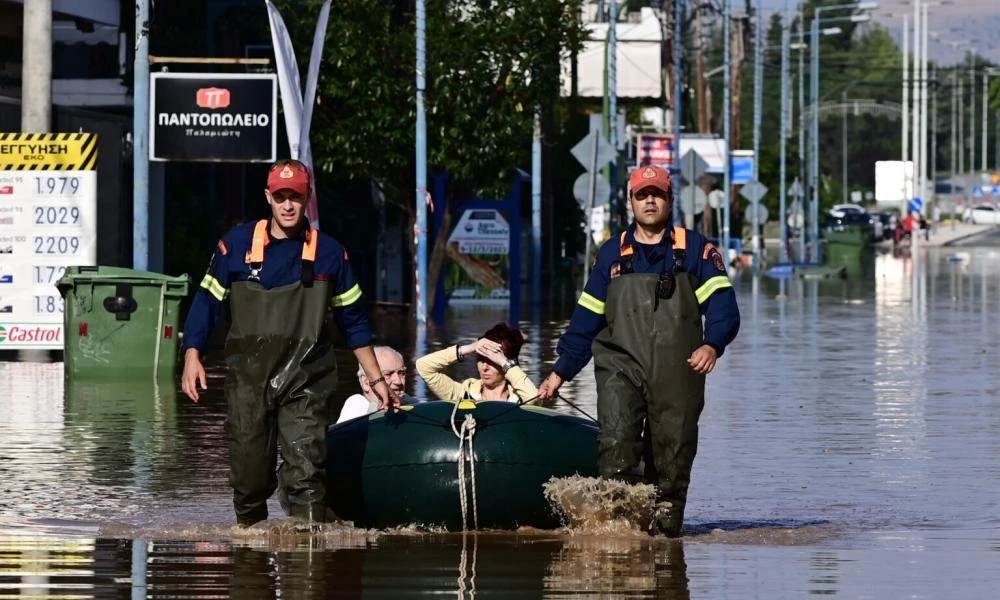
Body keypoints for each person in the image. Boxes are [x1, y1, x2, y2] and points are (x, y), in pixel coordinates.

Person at [180, 159, 396, 527]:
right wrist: (192, 354)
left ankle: (307, 563)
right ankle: (251, 561)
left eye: (295, 196)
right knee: (249, 480)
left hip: (306, 380)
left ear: (307, 197)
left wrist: (378, 380)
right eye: (280, 197)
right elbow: (206, 303)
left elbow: (354, 324)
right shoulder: (235, 247)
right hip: (249, 380)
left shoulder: (331, 254)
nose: (288, 205)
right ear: (268, 197)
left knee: (307, 471)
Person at [538, 165, 740, 538]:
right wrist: (560, 372)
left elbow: (725, 308)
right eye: (642, 195)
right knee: (616, 444)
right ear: (630, 201)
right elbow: (586, 320)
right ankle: (620, 540)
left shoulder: (695, 250)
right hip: (621, 367)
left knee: (672, 459)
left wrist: (713, 344)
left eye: (657, 194)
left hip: (678, 371)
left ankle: (663, 545)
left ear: (669, 200)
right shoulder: (612, 254)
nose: (649, 201)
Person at [415, 322, 538, 403]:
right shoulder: (462, 394)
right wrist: (471, 348)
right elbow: (423, 366)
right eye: (480, 359)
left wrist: (505, 362)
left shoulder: (521, 396)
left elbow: (535, 399)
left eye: (492, 361)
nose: (484, 368)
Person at [338, 345, 420, 423]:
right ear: (366, 382)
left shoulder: (411, 403)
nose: (398, 381)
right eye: (388, 374)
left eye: (402, 373)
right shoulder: (357, 405)